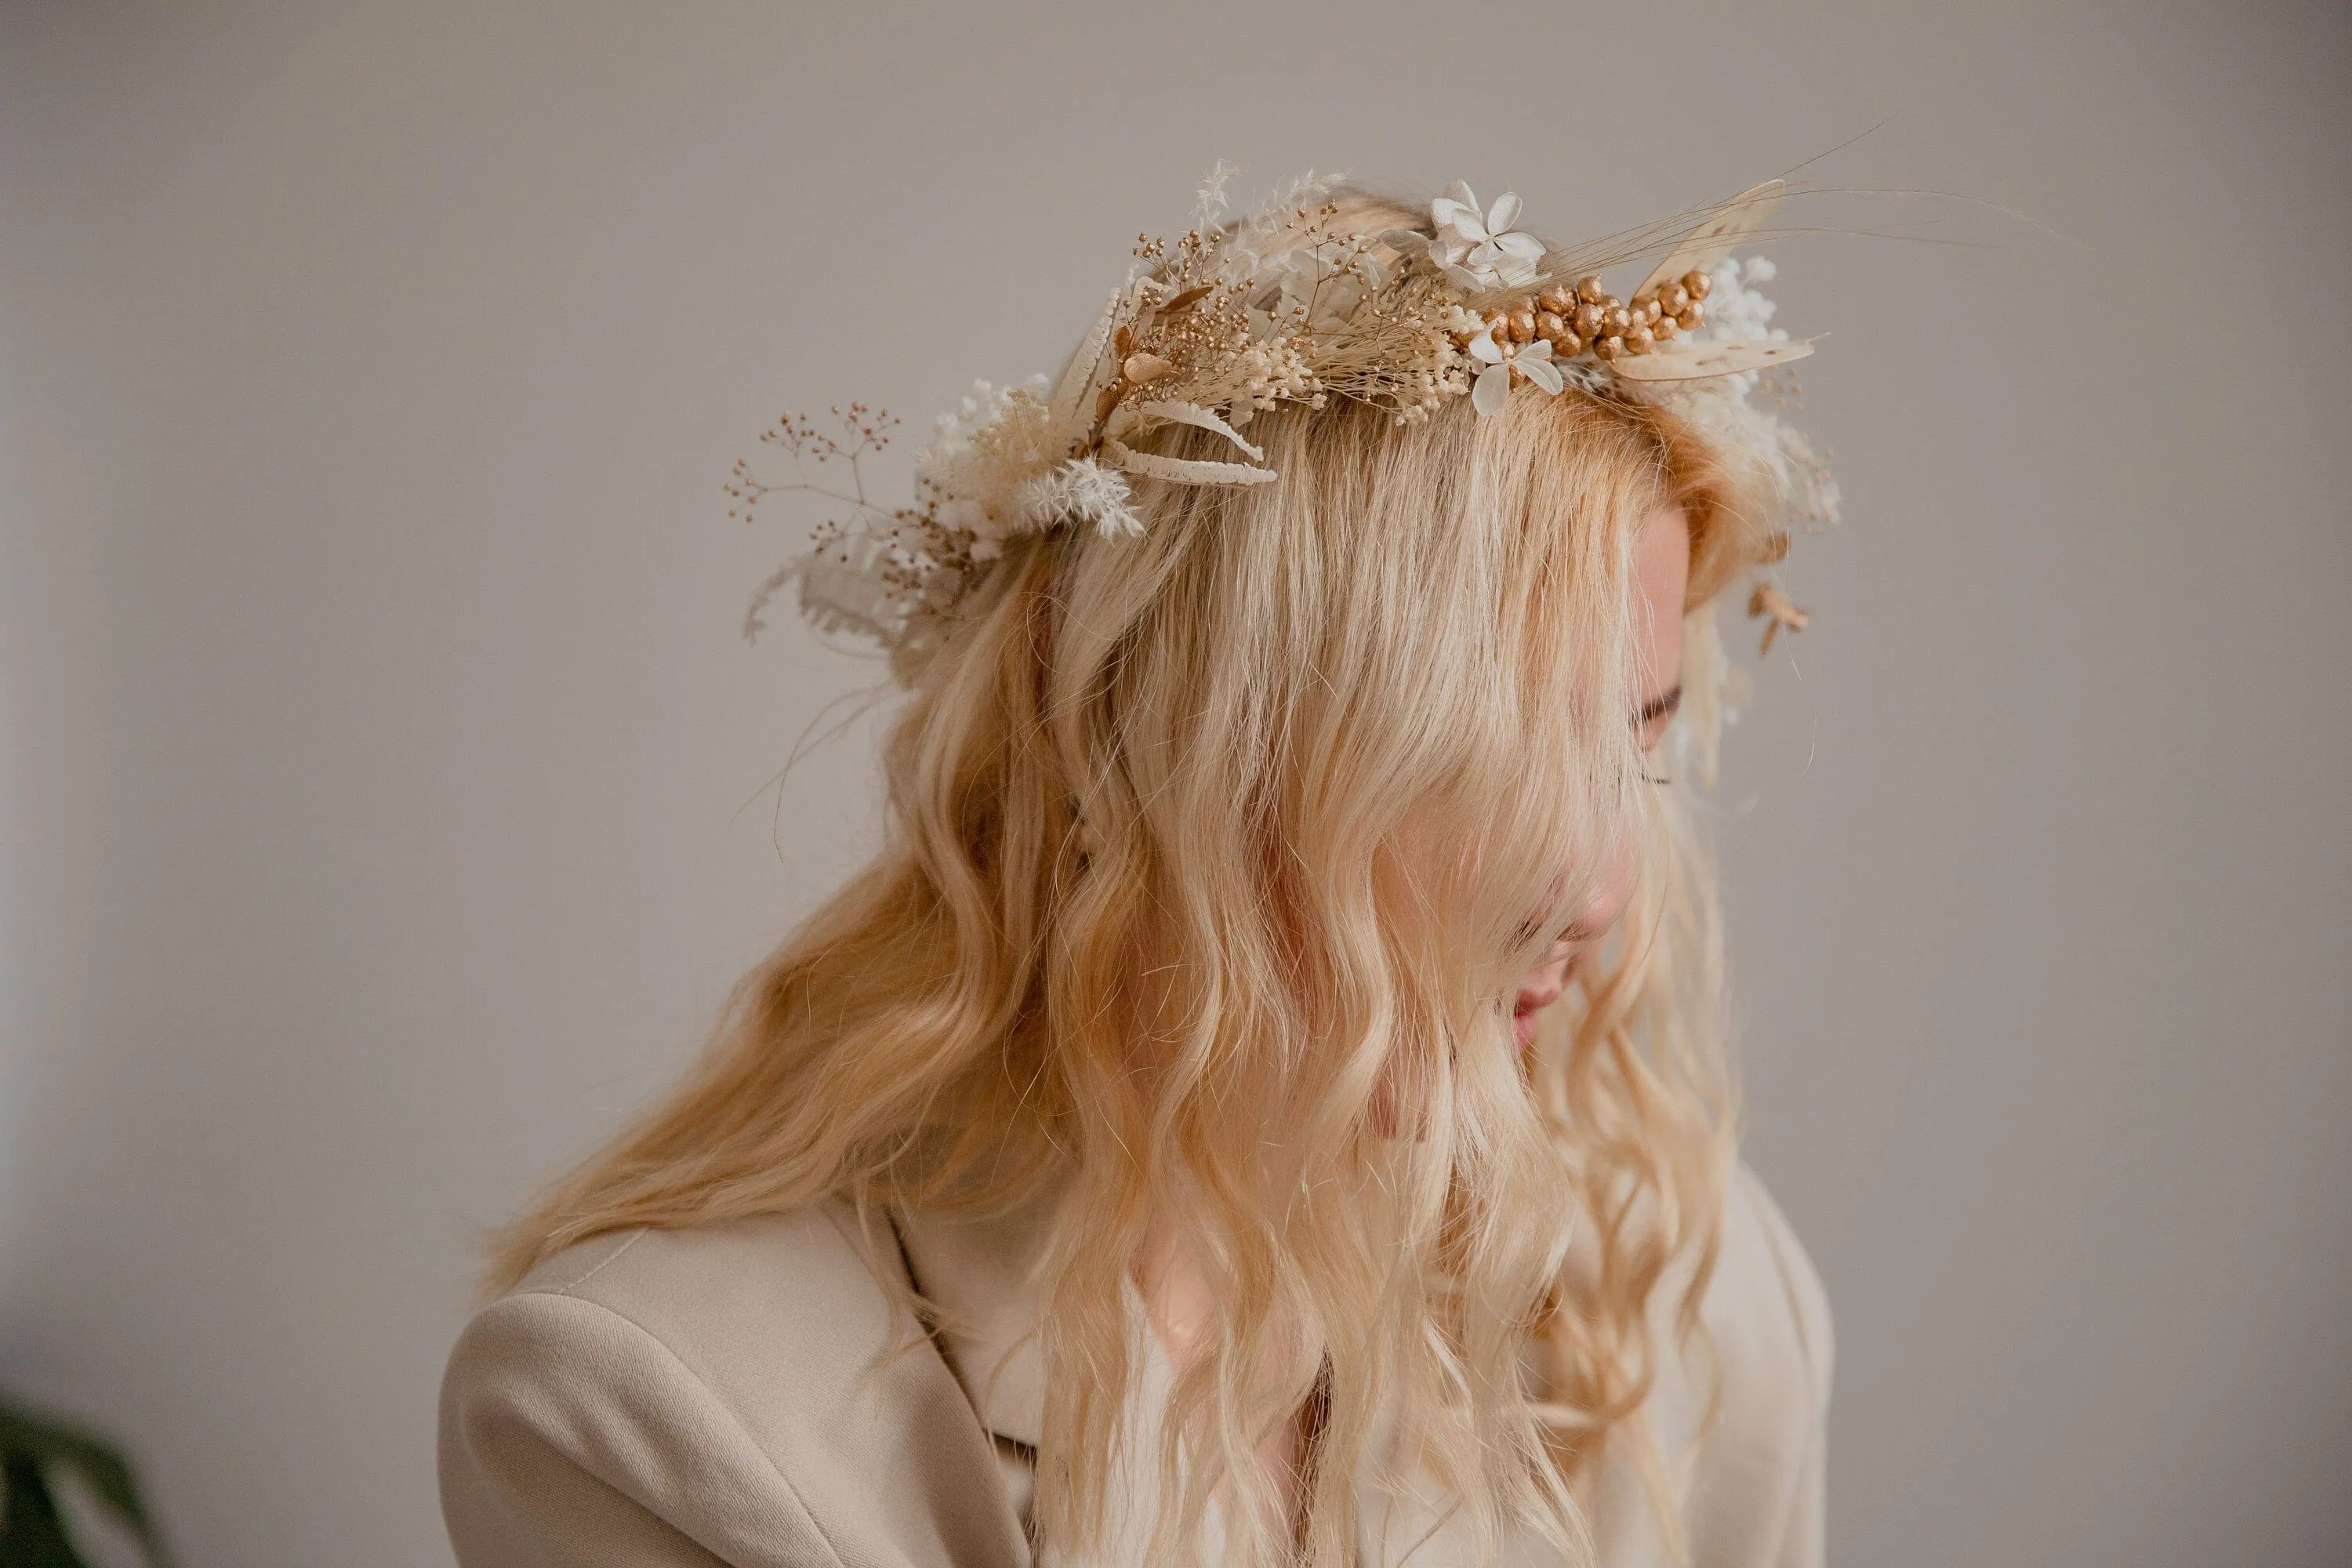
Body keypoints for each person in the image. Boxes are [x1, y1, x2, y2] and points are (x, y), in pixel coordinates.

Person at [437, 172, 1838, 1568]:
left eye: (1638, 740)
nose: (1599, 896)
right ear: (1150, 756)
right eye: (1486, 765)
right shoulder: (666, 1412)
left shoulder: (1674, 1298)